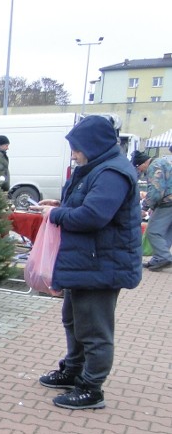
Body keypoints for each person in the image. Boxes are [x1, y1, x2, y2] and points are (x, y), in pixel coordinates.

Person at [30, 115, 142, 410]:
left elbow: (94, 216)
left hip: (102, 266)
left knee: (94, 330)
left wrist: (55, 216)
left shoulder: (112, 173)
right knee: (73, 321)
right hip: (86, 263)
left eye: (77, 148)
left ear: (93, 145)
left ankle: (91, 389)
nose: (74, 154)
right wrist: (60, 205)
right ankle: (73, 370)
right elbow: (86, 205)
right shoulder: (95, 168)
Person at [132, 150, 172, 271]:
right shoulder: (162, 162)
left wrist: (145, 207)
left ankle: (164, 257)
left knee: (153, 231)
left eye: (139, 168)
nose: (140, 171)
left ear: (143, 163)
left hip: (167, 203)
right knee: (166, 232)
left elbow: (156, 191)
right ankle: (158, 259)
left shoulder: (154, 167)